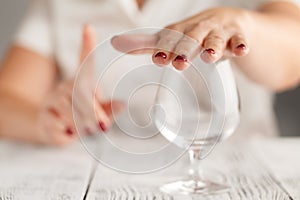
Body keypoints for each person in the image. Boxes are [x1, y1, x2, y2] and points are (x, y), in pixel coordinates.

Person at [0, 0, 299, 146]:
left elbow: (292, 58)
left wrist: (242, 25)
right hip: (106, 179)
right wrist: (45, 119)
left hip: (242, 170)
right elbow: (7, 98)